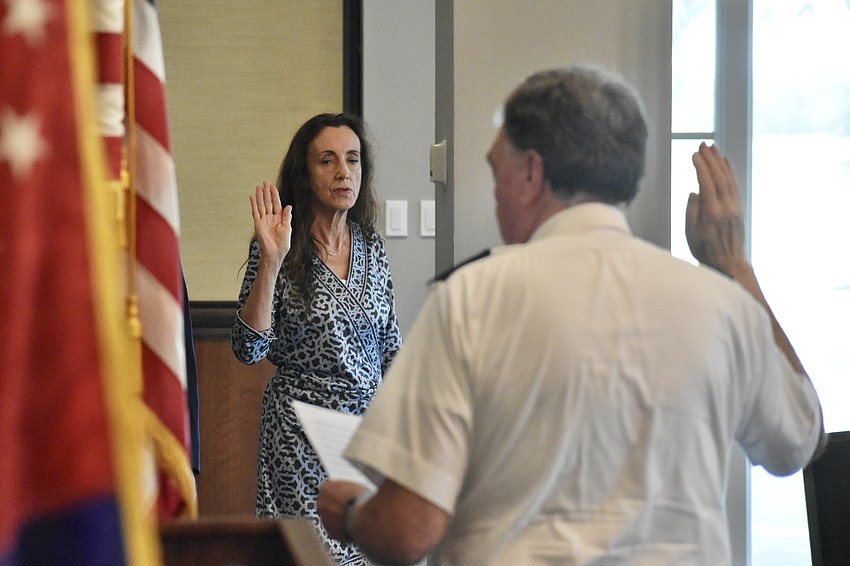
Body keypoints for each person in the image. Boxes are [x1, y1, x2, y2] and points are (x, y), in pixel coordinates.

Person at [316, 66, 826, 565]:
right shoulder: (723, 306)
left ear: (532, 173)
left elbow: (408, 530)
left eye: (497, 173)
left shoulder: (472, 299)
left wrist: (354, 515)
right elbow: (799, 441)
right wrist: (736, 268)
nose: (494, 197)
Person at [231, 112, 402, 565]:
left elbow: (391, 347)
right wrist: (271, 260)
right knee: (314, 557)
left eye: (352, 159)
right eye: (327, 161)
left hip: (365, 438)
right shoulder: (280, 245)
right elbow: (248, 348)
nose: (344, 172)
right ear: (305, 174)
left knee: (368, 552)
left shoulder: (372, 245)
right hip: (301, 437)